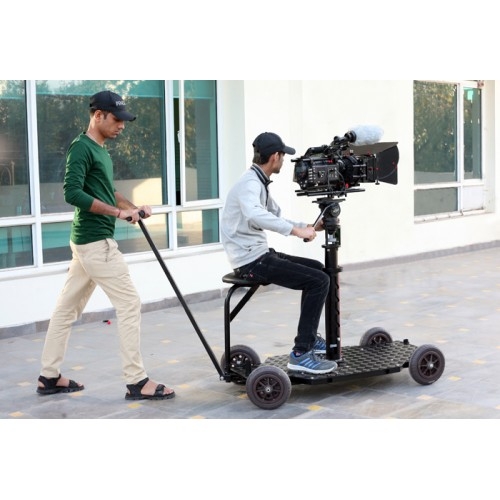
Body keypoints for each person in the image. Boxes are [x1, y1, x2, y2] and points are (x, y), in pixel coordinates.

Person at [36, 90, 175, 401]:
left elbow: (107, 191)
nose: (121, 126)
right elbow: (72, 193)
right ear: (98, 116)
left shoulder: (101, 151)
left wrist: (133, 208)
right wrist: (117, 213)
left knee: (65, 310)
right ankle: (137, 381)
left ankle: (49, 376)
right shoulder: (81, 147)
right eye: (116, 119)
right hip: (96, 243)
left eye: (123, 120)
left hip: (86, 243)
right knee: (130, 304)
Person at [221, 132, 338, 375]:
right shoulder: (250, 184)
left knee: (318, 270)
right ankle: (301, 354)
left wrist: (309, 226)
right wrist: (296, 232)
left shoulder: (259, 181)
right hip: (251, 261)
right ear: (275, 156)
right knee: (319, 281)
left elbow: (274, 216)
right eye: (283, 156)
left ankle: (309, 337)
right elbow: (256, 215)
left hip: (259, 254)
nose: (284, 161)